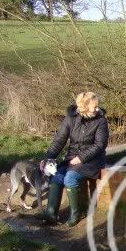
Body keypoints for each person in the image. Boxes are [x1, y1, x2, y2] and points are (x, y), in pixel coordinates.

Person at [41, 91, 109, 227]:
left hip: (92, 160)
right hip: (72, 158)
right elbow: (59, 141)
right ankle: (50, 213)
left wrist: (81, 158)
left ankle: (75, 213)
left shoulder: (101, 120)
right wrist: (47, 159)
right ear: (84, 107)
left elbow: (100, 144)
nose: (98, 109)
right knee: (57, 175)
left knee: (69, 178)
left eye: (97, 106)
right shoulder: (70, 118)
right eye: (94, 107)